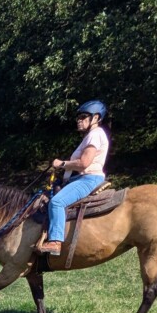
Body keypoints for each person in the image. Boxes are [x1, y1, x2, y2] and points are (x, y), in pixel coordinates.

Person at [38, 100, 111, 256]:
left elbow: (84, 163)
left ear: (96, 118)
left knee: (57, 202)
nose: (79, 120)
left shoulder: (95, 134)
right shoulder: (90, 136)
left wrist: (62, 163)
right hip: (81, 178)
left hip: (89, 178)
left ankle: (55, 242)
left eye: (83, 117)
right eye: (78, 117)